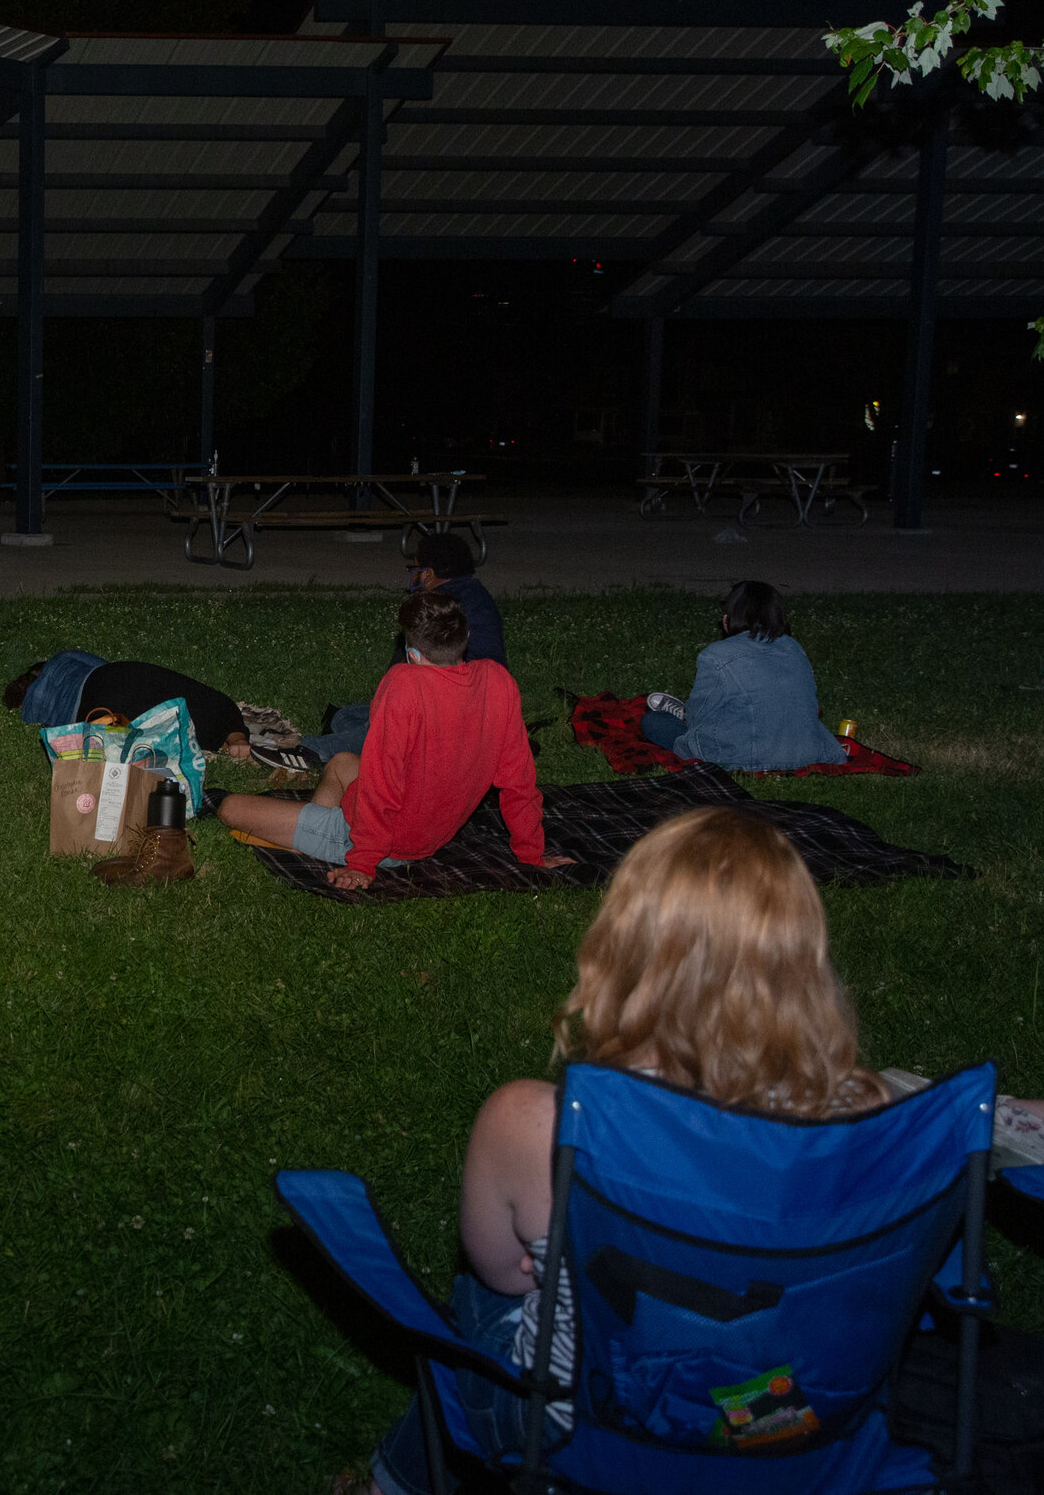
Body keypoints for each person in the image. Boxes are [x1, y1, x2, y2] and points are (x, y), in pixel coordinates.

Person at [356, 807, 887, 1494]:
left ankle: (391, 1483)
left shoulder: (535, 1123)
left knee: (475, 1301)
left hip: (584, 1430)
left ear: (625, 947)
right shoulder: (866, 1125)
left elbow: (502, 1272)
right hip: (772, 1417)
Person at [209, 591, 570, 892]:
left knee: (231, 808)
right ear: (466, 640)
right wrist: (532, 853)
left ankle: (330, 845)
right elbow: (519, 781)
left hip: (391, 841)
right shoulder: (497, 680)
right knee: (340, 764)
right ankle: (314, 834)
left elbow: (383, 781)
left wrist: (363, 862)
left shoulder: (403, 684)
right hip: (432, 826)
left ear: (411, 653)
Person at [300, 532, 507, 765]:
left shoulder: (438, 609)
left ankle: (311, 751)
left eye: (417, 569)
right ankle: (382, 743)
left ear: (428, 574)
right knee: (345, 716)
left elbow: (409, 679)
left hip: (450, 714)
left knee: (382, 730)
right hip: (472, 708)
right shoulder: (475, 595)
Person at [639, 580, 847, 771]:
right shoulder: (794, 648)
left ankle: (678, 713)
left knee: (653, 722)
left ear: (727, 620)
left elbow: (699, 717)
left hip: (744, 758)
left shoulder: (716, 657)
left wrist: (689, 716)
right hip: (805, 752)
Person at [2, 651, 253, 760]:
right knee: (185, 695)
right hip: (116, 675)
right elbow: (100, 663)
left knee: (167, 726)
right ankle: (235, 734)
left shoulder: (32, 705)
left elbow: (53, 726)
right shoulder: (62, 658)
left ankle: (230, 736)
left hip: (96, 707)